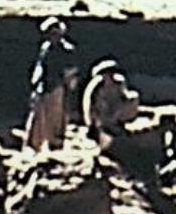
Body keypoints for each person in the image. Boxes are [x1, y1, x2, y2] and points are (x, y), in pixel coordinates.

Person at [25, 17, 78, 151]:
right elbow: (40, 66)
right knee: (38, 117)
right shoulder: (46, 48)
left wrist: (67, 86)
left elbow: (70, 72)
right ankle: (34, 145)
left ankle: (55, 144)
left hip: (57, 88)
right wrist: (36, 84)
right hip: (43, 86)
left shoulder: (67, 51)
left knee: (56, 118)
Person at [81, 58, 140, 148]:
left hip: (116, 114)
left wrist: (131, 99)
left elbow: (125, 94)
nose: (109, 75)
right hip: (100, 117)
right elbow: (87, 102)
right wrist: (89, 121)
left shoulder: (119, 82)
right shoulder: (96, 84)